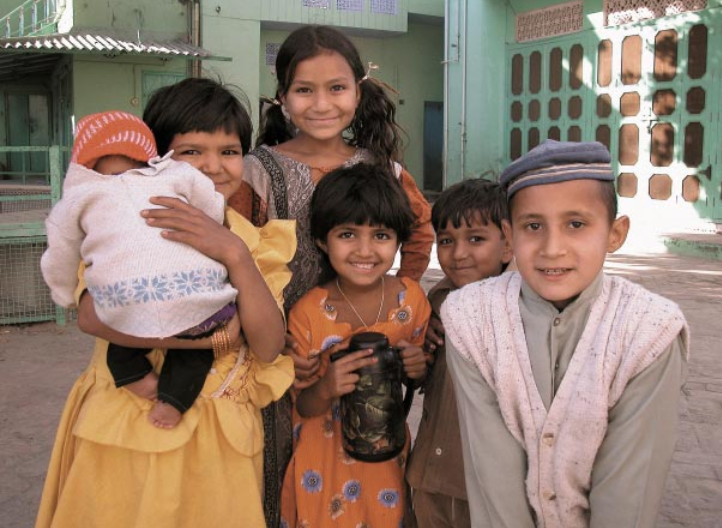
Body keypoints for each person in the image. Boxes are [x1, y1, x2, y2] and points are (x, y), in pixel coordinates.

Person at [35, 79, 296, 528]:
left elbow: (268, 346)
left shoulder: (255, 241)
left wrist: (234, 253)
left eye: (230, 151)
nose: (213, 166)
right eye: (191, 151)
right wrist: (211, 341)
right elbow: (91, 317)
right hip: (127, 429)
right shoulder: (119, 227)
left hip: (221, 447)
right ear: (155, 159)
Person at [230, 25, 434, 525]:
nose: (322, 104)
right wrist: (269, 340)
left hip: (363, 358)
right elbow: (234, 257)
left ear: (357, 92)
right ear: (282, 97)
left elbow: (420, 231)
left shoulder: (383, 170)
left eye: (337, 88)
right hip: (281, 355)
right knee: (275, 466)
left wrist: (400, 295)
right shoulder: (257, 172)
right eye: (305, 89)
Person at [441, 139, 690, 528]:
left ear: (615, 233)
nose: (552, 248)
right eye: (533, 226)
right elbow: (492, 471)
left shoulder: (649, 331)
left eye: (576, 224)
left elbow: (629, 492)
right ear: (509, 235)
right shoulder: (472, 318)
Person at [41, 111, 240, 430]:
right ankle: (175, 401)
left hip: (127, 301)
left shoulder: (82, 195)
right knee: (195, 353)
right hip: (199, 295)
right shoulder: (173, 174)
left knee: (120, 346)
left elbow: (60, 254)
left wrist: (64, 293)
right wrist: (212, 223)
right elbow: (209, 199)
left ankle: (137, 378)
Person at [280, 163, 430, 528]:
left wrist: (417, 367)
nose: (365, 250)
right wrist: (327, 386)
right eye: (347, 234)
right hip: (323, 465)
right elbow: (303, 405)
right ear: (322, 240)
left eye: (381, 235)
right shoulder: (307, 314)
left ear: (398, 240)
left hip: (385, 458)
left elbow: (418, 379)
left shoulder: (410, 302)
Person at [406, 179, 512, 528]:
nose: (458, 253)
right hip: (429, 475)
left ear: (508, 245)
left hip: (487, 488)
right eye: (446, 241)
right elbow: (425, 380)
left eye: (476, 239)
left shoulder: (522, 310)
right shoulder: (436, 302)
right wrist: (419, 353)